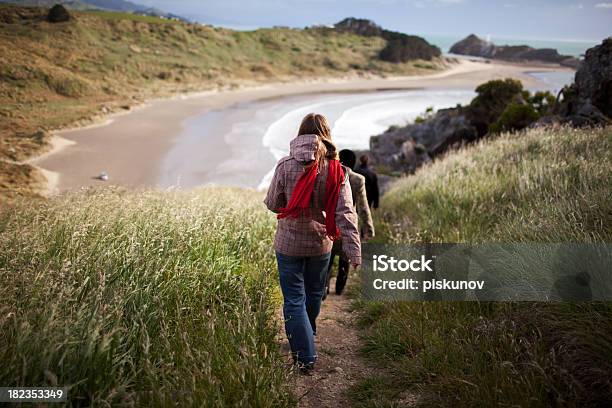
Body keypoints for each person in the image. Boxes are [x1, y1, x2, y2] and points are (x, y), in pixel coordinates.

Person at [264, 113, 361, 372]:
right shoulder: (336, 170)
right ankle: (308, 331)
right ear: (326, 134)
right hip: (320, 244)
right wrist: (354, 249)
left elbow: (274, 204)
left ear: (301, 133)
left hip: (288, 243)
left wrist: (292, 203)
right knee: (314, 293)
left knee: (294, 299)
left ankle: (304, 355)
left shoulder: (285, 165)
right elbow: (346, 212)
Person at [324, 149, 374, 298]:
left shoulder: (329, 174)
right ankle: (339, 288)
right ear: (353, 162)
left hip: (330, 222)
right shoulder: (358, 179)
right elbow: (363, 207)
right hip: (348, 224)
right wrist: (369, 228)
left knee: (328, 258)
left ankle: (323, 288)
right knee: (345, 258)